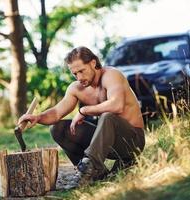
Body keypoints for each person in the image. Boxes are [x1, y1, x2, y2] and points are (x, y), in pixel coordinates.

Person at [18, 46, 145, 186]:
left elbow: (117, 105)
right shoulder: (76, 88)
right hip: (106, 141)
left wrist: (83, 111)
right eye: (74, 74)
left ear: (93, 63)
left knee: (108, 116)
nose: (79, 78)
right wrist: (38, 117)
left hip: (132, 142)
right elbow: (56, 112)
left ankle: (88, 169)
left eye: (81, 71)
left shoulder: (111, 75)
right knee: (58, 128)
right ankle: (95, 173)